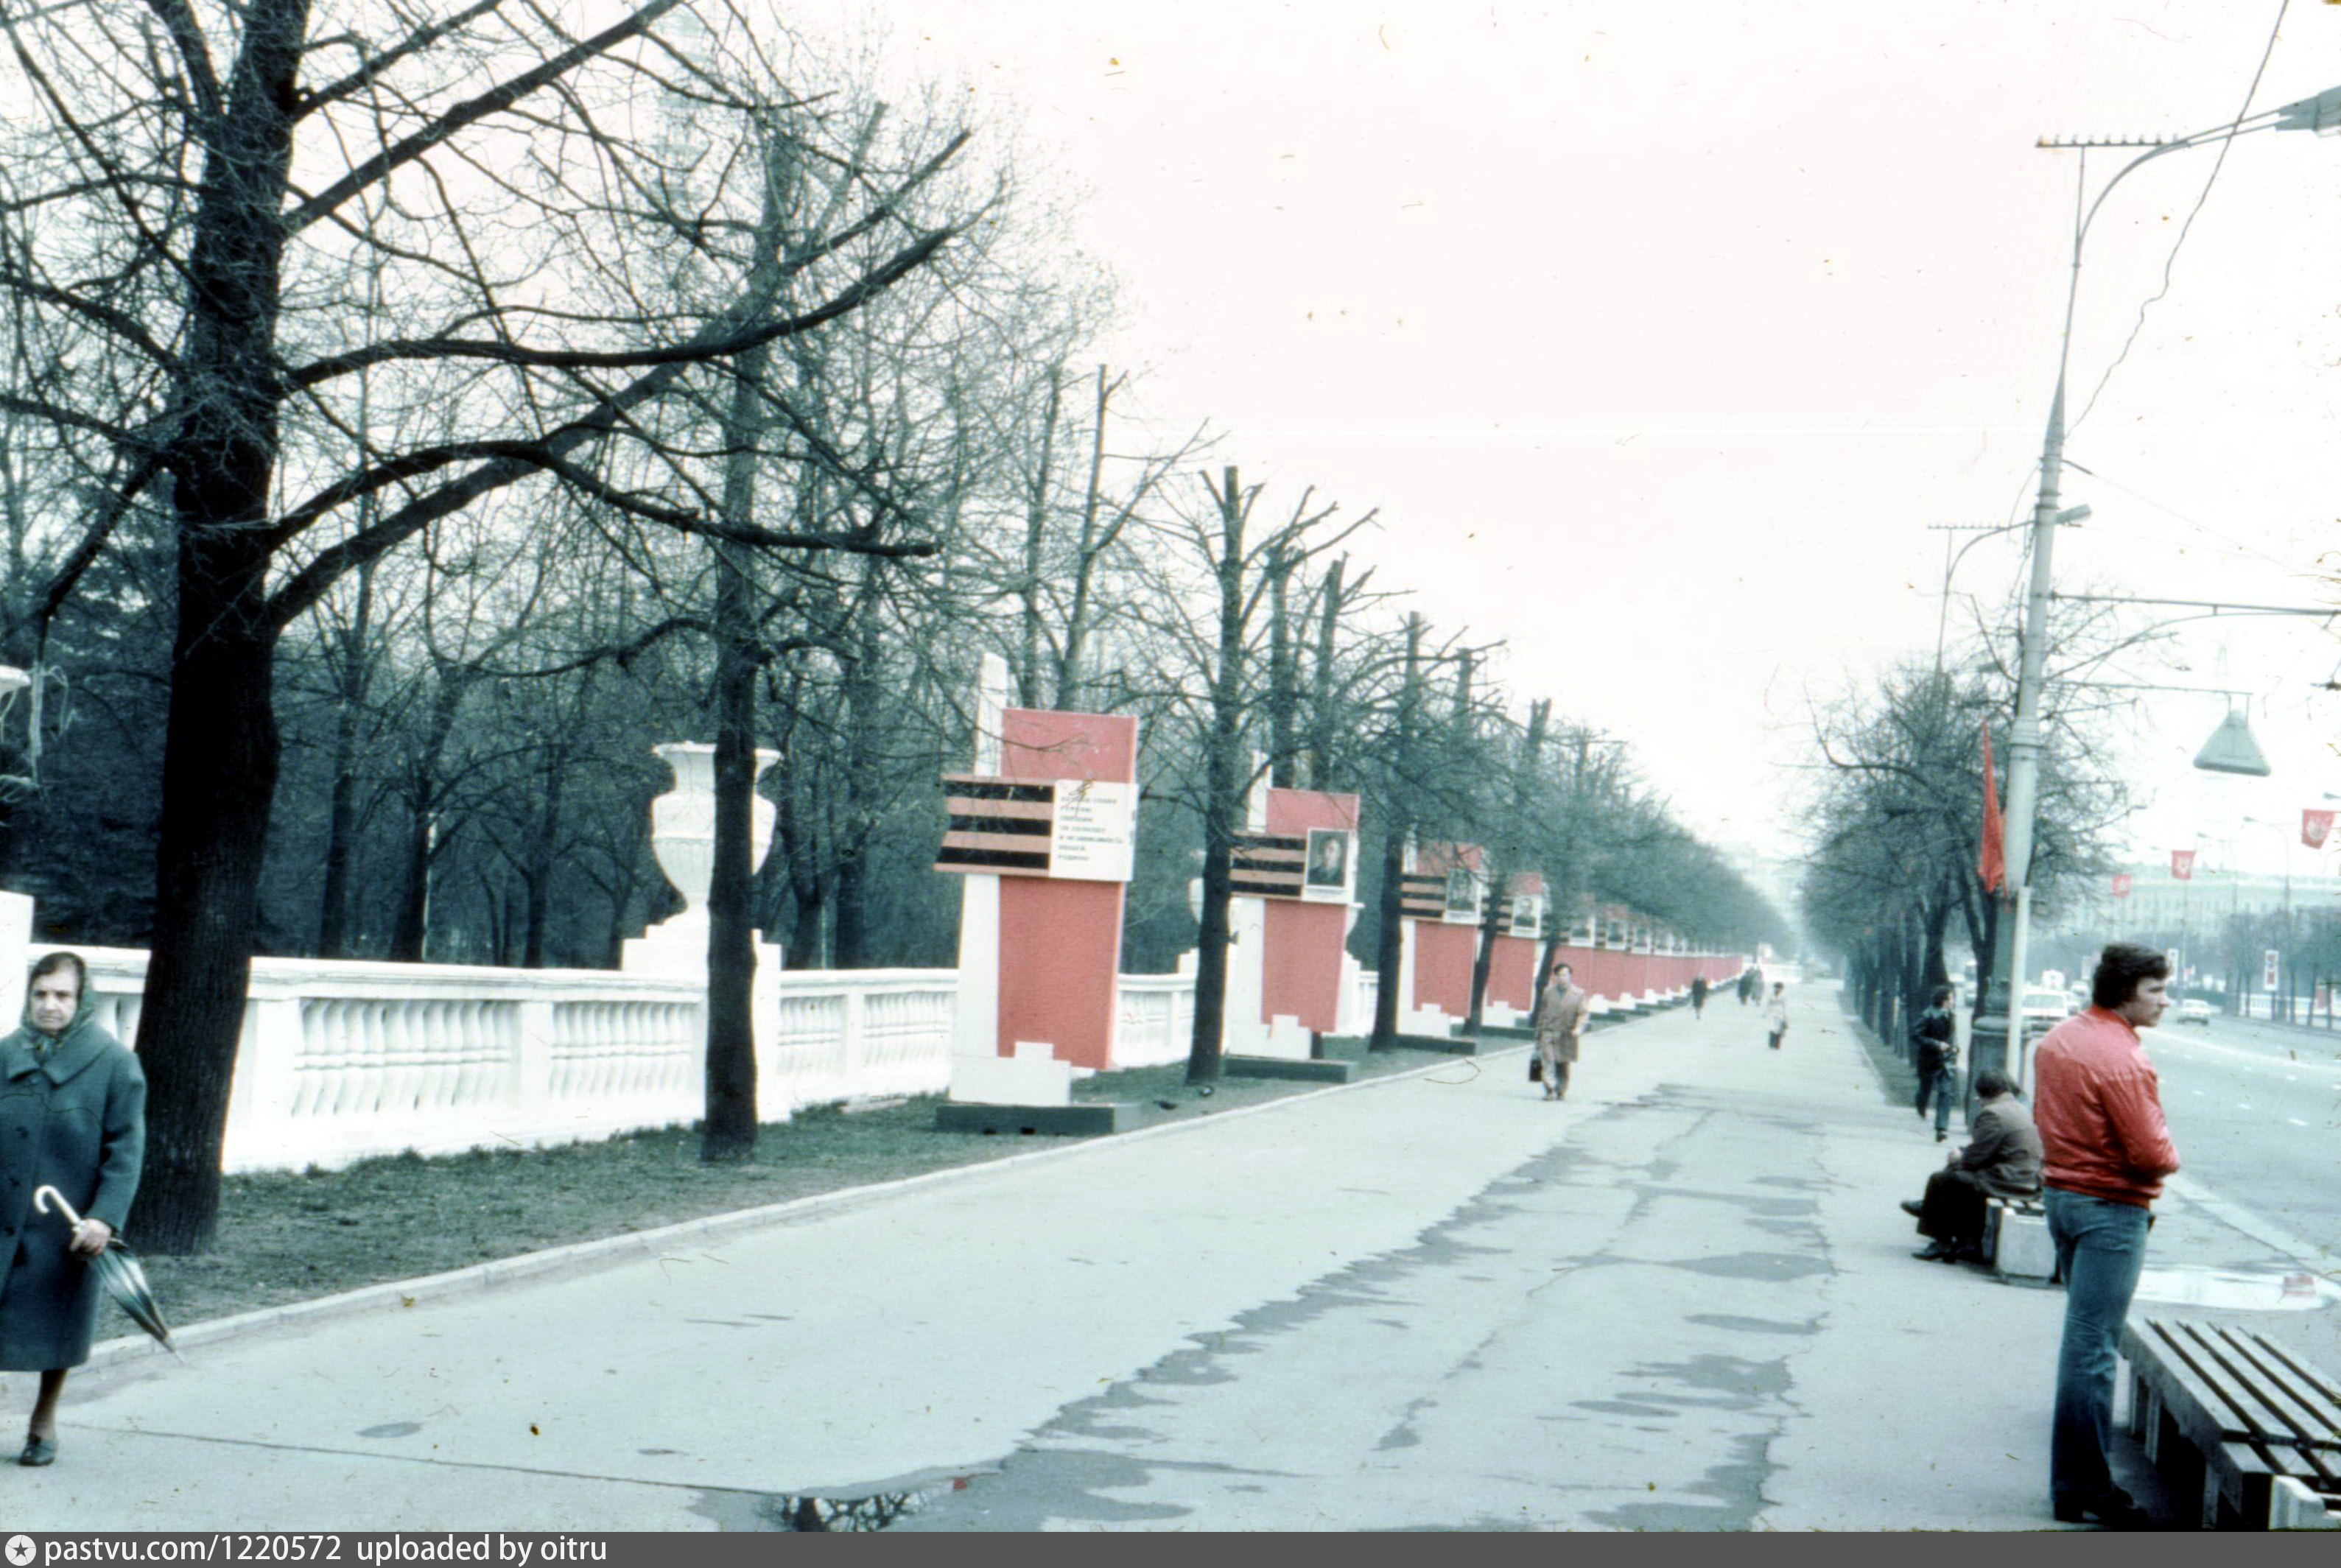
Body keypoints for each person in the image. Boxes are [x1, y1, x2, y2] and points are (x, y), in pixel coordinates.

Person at [2034, 942, 2180, 1530]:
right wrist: (2174, 1154)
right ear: (2124, 990)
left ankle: (2071, 1485)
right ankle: (2086, 1485)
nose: (2166, 1001)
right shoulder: (2125, 1058)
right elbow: (2152, 1153)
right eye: (2156, 990)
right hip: (2111, 1209)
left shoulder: (2060, 1037)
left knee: (2082, 1343)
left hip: (2063, 1198)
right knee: (2093, 1352)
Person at [0, 952, 146, 1467]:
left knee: (54, 1327)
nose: (50, 1005)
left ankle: (43, 1421)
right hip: (2, 1220)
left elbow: (125, 1150)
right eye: (41, 994)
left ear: (82, 1001)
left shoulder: (113, 1063)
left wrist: (105, 1217)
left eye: (62, 995)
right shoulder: (5, 1054)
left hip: (64, 1228)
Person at [1902, 1068, 2041, 1262]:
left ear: (1983, 1093)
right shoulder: (2019, 1108)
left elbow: (1974, 1159)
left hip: (2007, 1181)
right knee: (1958, 1175)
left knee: (1942, 1179)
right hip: (2025, 1178)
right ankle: (1965, 1240)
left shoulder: (1993, 1113)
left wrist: (1959, 1156)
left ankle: (1940, 1240)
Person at [1532, 962, 1590, 1100]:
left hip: (1567, 1034)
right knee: (1548, 1061)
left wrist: (1578, 1027)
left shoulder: (1578, 994)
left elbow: (1583, 1013)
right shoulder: (1548, 992)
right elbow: (1543, 1013)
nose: (1562, 978)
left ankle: (1561, 1090)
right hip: (1549, 1032)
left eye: (1565, 975)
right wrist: (1538, 1034)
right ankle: (1550, 1090)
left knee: (1563, 1064)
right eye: (1559, 975)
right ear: (1555, 977)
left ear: (1570, 976)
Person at [1912, 985, 1958, 1143]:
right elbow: (1916, 1035)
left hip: (1945, 1061)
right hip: (1929, 1060)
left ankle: (1941, 1129)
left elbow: (1952, 1036)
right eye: (1951, 998)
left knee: (1945, 1093)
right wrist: (1936, 1044)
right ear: (1944, 1000)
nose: (1953, 1001)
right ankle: (1921, 1104)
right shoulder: (1928, 1015)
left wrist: (1954, 1048)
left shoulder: (1951, 1015)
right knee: (1926, 1089)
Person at [1762, 981, 1788, 1049]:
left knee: (1779, 1030)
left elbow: (1785, 1007)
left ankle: (1777, 1045)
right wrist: (1765, 1013)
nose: (1778, 990)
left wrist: (1786, 1017)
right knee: (1772, 1029)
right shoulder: (1770, 996)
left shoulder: (1784, 997)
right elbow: (1767, 1005)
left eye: (1780, 989)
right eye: (1777, 988)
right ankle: (1771, 1043)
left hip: (1780, 1015)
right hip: (1771, 1014)